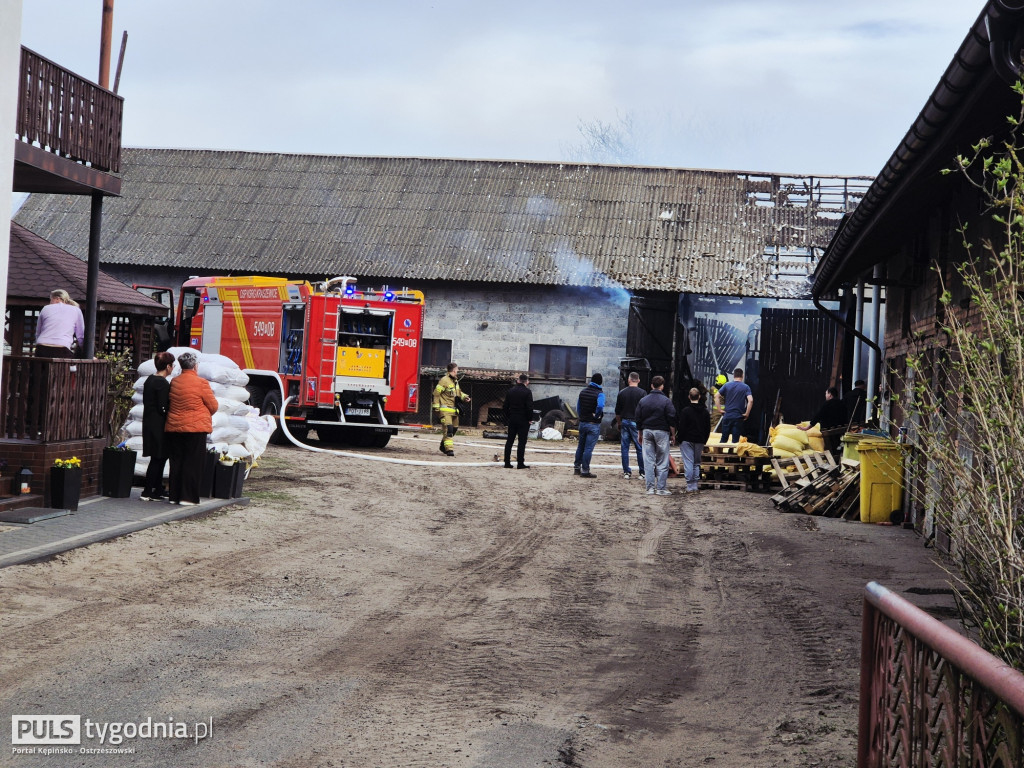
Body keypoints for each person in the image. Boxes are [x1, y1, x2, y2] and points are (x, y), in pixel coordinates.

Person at [164, 352, 218, 506]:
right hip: (196, 429)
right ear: (195, 366)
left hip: (174, 428)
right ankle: (187, 497)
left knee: (176, 462)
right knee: (193, 463)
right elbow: (213, 406)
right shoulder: (201, 383)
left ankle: (174, 495)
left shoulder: (174, 381)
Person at [140, 351, 175, 501]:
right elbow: (163, 407)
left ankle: (157, 488)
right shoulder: (162, 383)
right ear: (168, 366)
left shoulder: (149, 380)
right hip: (159, 425)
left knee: (158, 457)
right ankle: (148, 490)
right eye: (172, 365)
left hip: (148, 422)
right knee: (158, 457)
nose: (173, 368)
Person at [634, 375, 676, 495]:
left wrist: (639, 432)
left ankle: (650, 488)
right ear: (662, 386)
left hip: (647, 430)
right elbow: (671, 418)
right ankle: (661, 488)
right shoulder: (666, 401)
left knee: (648, 460)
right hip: (662, 431)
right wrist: (673, 434)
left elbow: (638, 418)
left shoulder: (643, 400)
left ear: (652, 385)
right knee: (662, 461)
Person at [677, 386, 711, 493]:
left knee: (688, 462)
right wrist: (704, 440)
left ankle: (689, 485)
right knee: (697, 462)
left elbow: (682, 427)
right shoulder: (705, 412)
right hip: (700, 439)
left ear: (689, 397)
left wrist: (680, 439)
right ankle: (695, 484)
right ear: (699, 397)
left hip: (687, 439)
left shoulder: (685, 411)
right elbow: (708, 428)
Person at [432, 362, 471, 457]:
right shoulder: (444, 380)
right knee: (448, 429)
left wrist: (465, 397)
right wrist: (436, 407)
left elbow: (458, 393)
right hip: (445, 410)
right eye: (457, 370)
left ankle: (443, 446)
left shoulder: (455, 381)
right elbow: (436, 394)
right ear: (454, 370)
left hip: (454, 410)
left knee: (454, 429)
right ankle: (449, 450)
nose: (458, 372)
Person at [34, 289, 85, 358]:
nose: (50, 303)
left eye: (51, 300)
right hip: (62, 347)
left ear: (57, 299)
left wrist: (38, 344)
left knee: (39, 368)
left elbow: (38, 331)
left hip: (42, 347)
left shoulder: (46, 308)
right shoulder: (76, 310)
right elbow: (81, 335)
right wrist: (85, 351)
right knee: (72, 367)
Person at [614, 371, 646, 480]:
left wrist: (619, 423)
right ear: (639, 380)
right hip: (636, 423)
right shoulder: (642, 393)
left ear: (629, 380)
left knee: (624, 448)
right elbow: (644, 411)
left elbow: (617, 411)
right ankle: (642, 472)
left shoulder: (622, 393)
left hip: (625, 422)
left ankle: (626, 472)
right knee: (640, 448)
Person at [573, 373, 605, 478]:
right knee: (588, 449)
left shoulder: (583, 392)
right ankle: (585, 470)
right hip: (593, 424)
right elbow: (600, 405)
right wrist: (597, 415)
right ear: (600, 382)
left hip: (583, 423)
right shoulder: (600, 393)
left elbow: (578, 407)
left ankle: (577, 467)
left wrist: (581, 416)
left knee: (580, 446)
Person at [800, 386, 848, 452]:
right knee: (841, 444)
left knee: (831, 447)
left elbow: (817, 416)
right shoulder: (842, 403)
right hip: (842, 430)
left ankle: (834, 456)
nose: (825, 395)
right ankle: (840, 452)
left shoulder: (827, 404)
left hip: (829, 431)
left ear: (830, 395)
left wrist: (807, 428)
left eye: (826, 394)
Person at [502, 374, 533, 469]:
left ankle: (507, 462)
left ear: (518, 380)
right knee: (522, 442)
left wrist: (508, 417)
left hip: (512, 418)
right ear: (526, 382)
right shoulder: (528, 392)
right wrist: (530, 419)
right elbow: (529, 407)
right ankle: (520, 463)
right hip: (523, 420)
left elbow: (505, 406)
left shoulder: (510, 391)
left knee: (510, 441)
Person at [714, 368, 753, 443]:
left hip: (727, 415)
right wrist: (747, 414)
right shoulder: (746, 387)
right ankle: (731, 453)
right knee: (735, 440)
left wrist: (719, 410)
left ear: (734, 375)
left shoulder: (727, 385)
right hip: (738, 417)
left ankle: (720, 453)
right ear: (742, 375)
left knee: (723, 439)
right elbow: (750, 400)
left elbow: (716, 396)